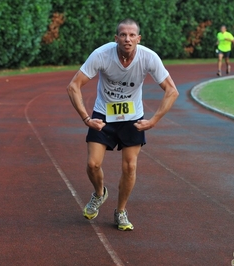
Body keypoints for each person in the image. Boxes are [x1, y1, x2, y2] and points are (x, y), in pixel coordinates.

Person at [66, 18, 179, 231]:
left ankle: (120, 211)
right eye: (123, 35)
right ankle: (99, 193)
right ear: (116, 38)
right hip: (103, 114)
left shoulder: (148, 57)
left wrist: (153, 120)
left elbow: (172, 90)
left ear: (138, 38)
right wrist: (85, 118)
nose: (127, 39)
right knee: (93, 164)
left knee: (130, 166)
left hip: (132, 117)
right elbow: (73, 86)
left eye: (132, 35)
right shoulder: (101, 55)